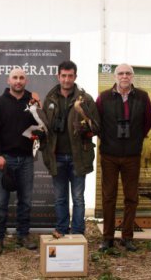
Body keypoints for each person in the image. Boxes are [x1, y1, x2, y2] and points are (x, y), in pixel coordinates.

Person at [96, 64, 151, 252]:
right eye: (121, 73)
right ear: (115, 76)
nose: (124, 76)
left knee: (131, 197)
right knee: (108, 197)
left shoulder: (143, 97)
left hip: (132, 155)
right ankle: (108, 238)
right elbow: (97, 123)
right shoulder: (103, 97)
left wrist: (135, 139)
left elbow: (147, 122)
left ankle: (127, 237)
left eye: (128, 73)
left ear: (133, 76)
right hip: (109, 155)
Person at [42, 60, 100, 236]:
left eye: (70, 76)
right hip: (57, 156)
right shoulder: (49, 99)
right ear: (58, 76)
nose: (67, 80)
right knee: (60, 198)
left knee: (78, 199)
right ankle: (61, 229)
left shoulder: (86, 99)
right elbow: (44, 125)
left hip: (78, 157)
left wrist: (84, 128)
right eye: (63, 76)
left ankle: (77, 232)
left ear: (75, 76)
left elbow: (97, 126)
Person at [0, 68, 39, 255]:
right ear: (8, 80)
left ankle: (23, 235)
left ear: (26, 80)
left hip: (26, 159)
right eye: (15, 78)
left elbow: (40, 126)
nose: (18, 81)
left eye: (21, 78)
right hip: (5, 159)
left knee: (25, 201)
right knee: (0, 202)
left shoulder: (33, 102)